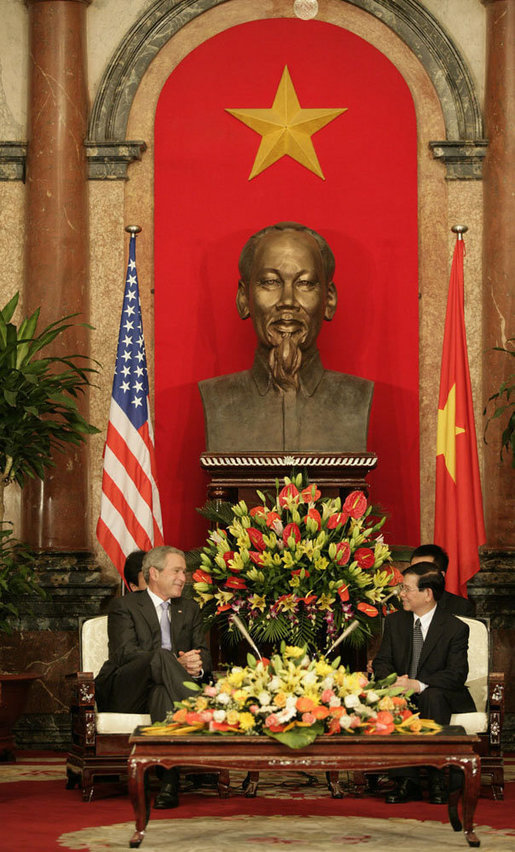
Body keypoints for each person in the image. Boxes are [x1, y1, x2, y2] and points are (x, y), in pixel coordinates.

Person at [199, 222, 373, 452]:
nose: (287, 300)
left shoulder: (356, 399)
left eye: (304, 283)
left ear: (329, 300)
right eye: (271, 282)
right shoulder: (217, 399)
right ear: (244, 298)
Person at [95, 545, 212, 808]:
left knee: (161, 693)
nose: (184, 577)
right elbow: (125, 654)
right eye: (177, 571)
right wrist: (176, 663)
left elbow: (205, 654)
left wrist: (197, 665)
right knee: (161, 656)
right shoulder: (124, 606)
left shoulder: (189, 608)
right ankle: (201, 709)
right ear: (154, 573)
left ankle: (169, 784)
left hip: (162, 691)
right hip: (126, 692)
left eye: (185, 571)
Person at [372, 561, 475, 804]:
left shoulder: (454, 628)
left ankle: (437, 777)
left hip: (442, 695)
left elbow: (457, 674)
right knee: (393, 696)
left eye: (407, 589)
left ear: (427, 594)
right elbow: (382, 661)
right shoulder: (395, 622)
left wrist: (418, 684)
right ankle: (407, 781)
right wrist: (394, 680)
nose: (401, 594)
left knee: (432, 696)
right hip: (403, 690)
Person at [410, 544, 475, 616]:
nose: (414, 575)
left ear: (440, 576)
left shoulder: (461, 607)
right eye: (411, 570)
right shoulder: (402, 603)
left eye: (422, 570)